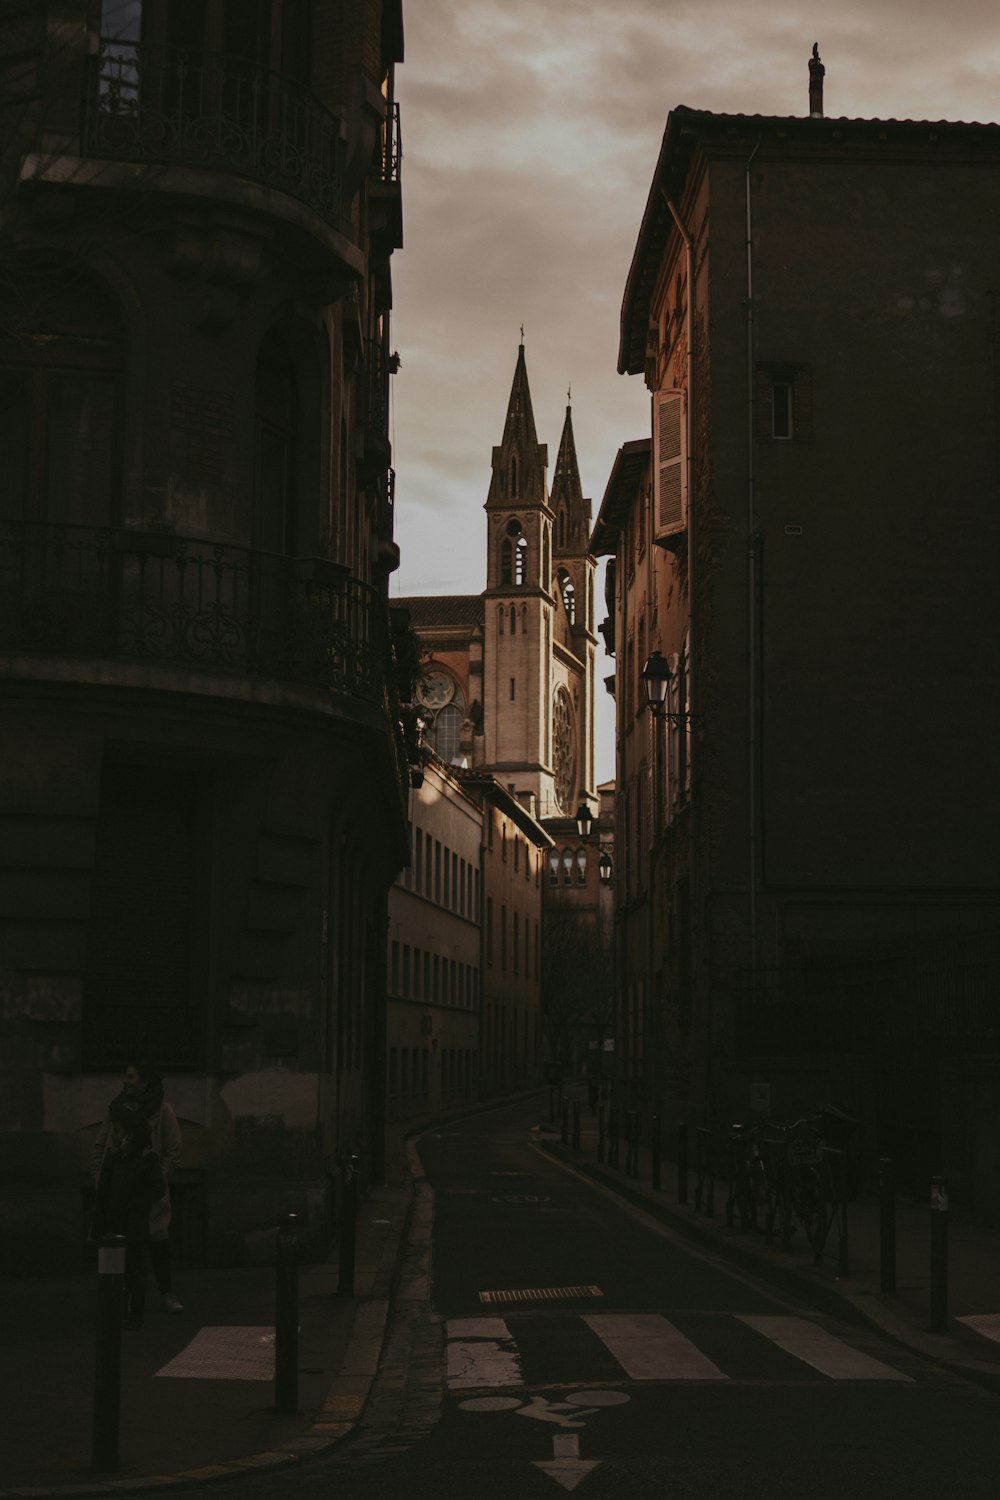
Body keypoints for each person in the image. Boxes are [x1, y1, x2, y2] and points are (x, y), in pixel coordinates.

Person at [92, 1061, 184, 1313]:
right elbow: (101, 1145)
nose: (125, 1080)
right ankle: (123, 1295)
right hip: (119, 1189)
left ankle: (167, 1292)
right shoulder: (117, 1109)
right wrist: (100, 1177)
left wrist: (156, 1178)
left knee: (157, 1241)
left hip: (147, 1189)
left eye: (131, 1076)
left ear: (144, 1081)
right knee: (123, 1244)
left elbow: (174, 1151)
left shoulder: (163, 1111)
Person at [91, 1106, 165, 1329]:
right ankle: (115, 1311)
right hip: (113, 1224)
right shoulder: (113, 1159)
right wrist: (98, 1224)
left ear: (128, 1135)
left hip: (133, 1225)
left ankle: (135, 1314)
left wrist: (138, 1203)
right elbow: (103, 1193)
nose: (113, 1134)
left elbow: (157, 1189)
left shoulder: (145, 1160)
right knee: (113, 1272)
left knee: (134, 1271)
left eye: (117, 1130)